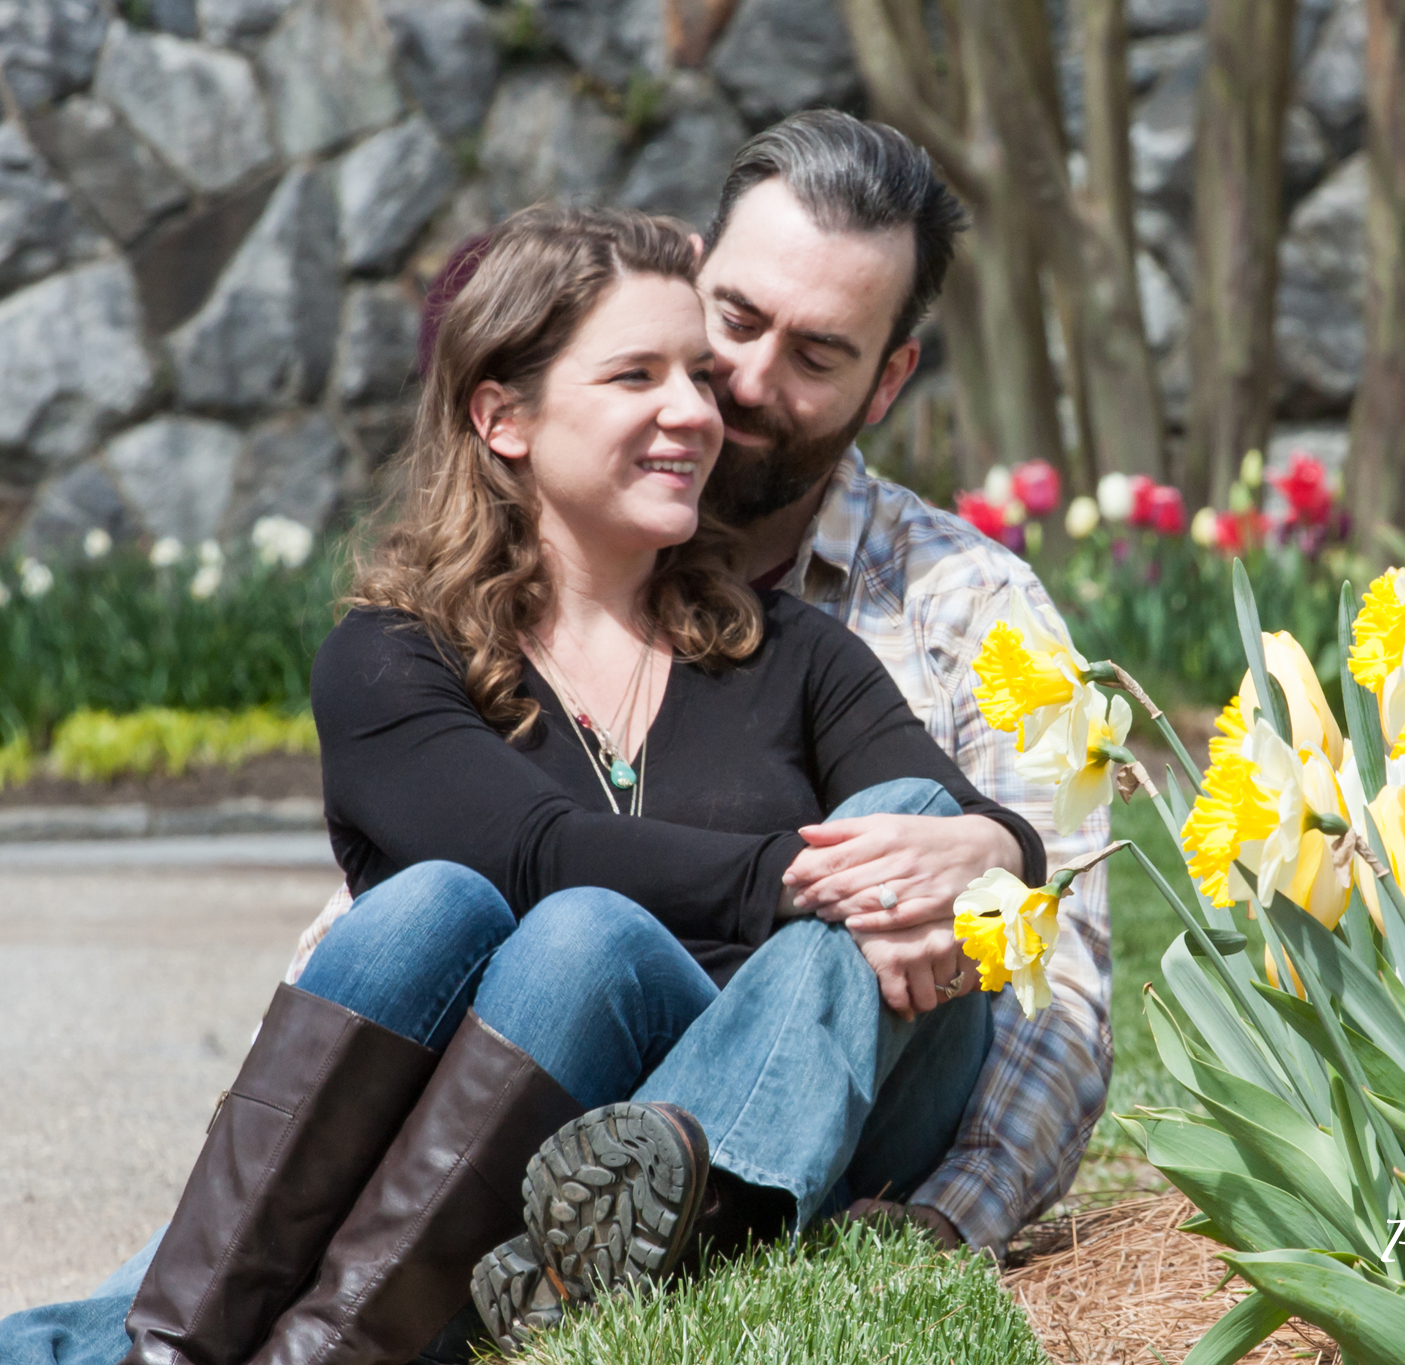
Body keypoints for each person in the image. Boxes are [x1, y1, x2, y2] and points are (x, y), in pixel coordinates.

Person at [0, 202, 1044, 1365]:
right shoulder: (394, 660)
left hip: (807, 1098)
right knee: (536, 928)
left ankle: (691, 1201)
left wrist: (997, 854)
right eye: (637, 375)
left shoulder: (792, 654)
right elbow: (533, 853)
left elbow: (958, 822)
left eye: (698, 376)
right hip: (512, 1145)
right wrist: (805, 882)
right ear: (502, 415)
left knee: (910, 820)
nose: (697, 413)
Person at [470, 110, 1116, 1345]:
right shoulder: (547, 556)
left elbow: (1064, 995)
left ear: (890, 378)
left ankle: (671, 1218)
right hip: (558, 1085)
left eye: (818, 356)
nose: (751, 384)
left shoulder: (971, 610)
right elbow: (432, 862)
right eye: (736, 319)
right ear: (689, 272)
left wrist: (933, 1229)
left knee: (902, 826)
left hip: (857, 1113)